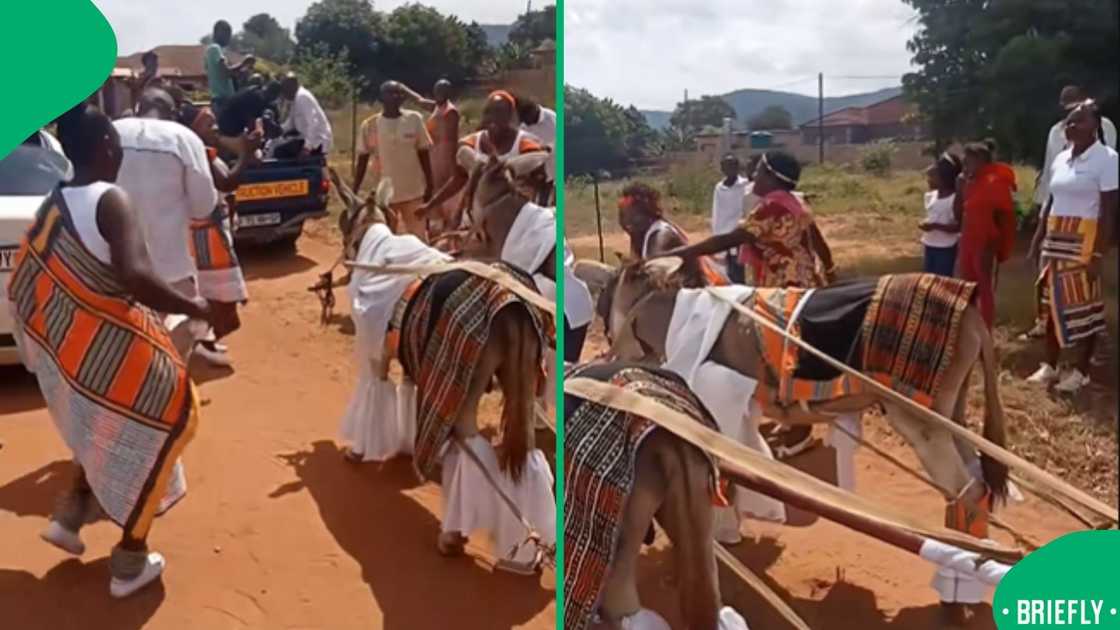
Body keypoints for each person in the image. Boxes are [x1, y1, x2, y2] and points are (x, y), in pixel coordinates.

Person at [7, 103, 228, 598]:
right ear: (107, 147)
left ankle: (69, 517)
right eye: (115, 143)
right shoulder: (112, 200)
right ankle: (130, 559)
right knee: (169, 422)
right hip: (118, 349)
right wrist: (195, 305)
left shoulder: (53, 202)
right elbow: (135, 276)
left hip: (80, 357)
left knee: (98, 427)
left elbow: (26, 281)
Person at [116, 88, 249, 365]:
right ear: (173, 113)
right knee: (172, 354)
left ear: (137, 107)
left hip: (116, 268)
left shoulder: (111, 132)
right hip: (171, 271)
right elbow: (203, 206)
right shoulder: (184, 139)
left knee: (124, 352)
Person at [1026, 101, 1118, 393]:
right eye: (1068, 122)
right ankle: (1050, 366)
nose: (1071, 126)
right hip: (1055, 239)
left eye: (1078, 121)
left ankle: (1081, 371)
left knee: (1083, 307)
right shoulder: (1061, 159)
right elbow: (1051, 200)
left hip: (1084, 241)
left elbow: (1108, 211)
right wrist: (1038, 235)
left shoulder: (1107, 159)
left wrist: (1098, 253)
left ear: (1096, 126)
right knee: (1051, 304)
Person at [660, 151, 835, 289]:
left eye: (758, 171)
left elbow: (731, 239)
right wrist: (830, 273)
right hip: (809, 286)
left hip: (786, 290)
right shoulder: (795, 202)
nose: (753, 176)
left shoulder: (772, 206)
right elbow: (820, 244)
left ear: (770, 177)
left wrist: (679, 253)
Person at [422, 91, 548, 230]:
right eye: (489, 112)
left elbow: (540, 176)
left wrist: (512, 170)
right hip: (478, 221)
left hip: (517, 222)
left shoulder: (525, 143)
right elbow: (459, 180)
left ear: (511, 116)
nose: (494, 117)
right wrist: (431, 205)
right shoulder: (469, 143)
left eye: (500, 112)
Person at [355, 81, 435, 241]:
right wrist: (354, 189)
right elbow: (363, 159)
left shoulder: (414, 119)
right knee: (385, 241)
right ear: (381, 98)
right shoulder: (369, 126)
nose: (396, 97)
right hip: (384, 199)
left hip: (413, 193)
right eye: (390, 93)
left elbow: (424, 153)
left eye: (399, 93)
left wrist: (430, 184)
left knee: (419, 240)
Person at [954, 139, 1016, 330]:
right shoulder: (967, 182)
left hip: (986, 241)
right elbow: (958, 213)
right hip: (968, 239)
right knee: (967, 285)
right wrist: (959, 188)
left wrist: (993, 246)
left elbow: (1004, 217)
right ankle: (971, 326)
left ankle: (986, 331)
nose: (965, 165)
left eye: (968, 161)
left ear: (981, 161)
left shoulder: (995, 182)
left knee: (984, 287)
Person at [920, 152, 963, 277]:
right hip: (929, 245)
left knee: (942, 286)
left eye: (933, 176)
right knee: (928, 283)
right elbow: (932, 216)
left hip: (946, 248)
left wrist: (935, 226)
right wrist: (925, 223)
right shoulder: (930, 196)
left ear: (944, 177)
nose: (929, 180)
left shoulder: (955, 199)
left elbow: (959, 227)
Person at [711, 153, 751, 283]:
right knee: (725, 268)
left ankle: (741, 290)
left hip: (739, 232)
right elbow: (716, 211)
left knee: (739, 266)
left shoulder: (745, 185)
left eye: (733, 166)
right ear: (722, 169)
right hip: (723, 232)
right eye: (727, 166)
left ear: (738, 167)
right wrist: (716, 234)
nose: (730, 169)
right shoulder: (719, 188)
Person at [204, 20, 255, 116]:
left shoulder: (211, 51)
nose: (229, 38)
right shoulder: (215, 48)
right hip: (222, 100)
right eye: (227, 34)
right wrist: (244, 62)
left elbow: (225, 74)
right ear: (219, 32)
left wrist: (243, 70)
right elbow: (226, 72)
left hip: (222, 100)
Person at [516, 96, 557, 203]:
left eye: (526, 119)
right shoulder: (523, 126)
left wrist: (547, 149)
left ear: (533, 112)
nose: (525, 122)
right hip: (535, 172)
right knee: (538, 203)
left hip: (554, 167)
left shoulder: (552, 120)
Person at [279, 73, 333, 155]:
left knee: (279, 151)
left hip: (317, 142)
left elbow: (313, 123)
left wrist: (307, 148)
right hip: (306, 139)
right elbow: (291, 123)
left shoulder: (302, 97)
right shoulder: (295, 99)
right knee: (280, 144)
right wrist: (279, 130)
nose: (284, 93)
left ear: (292, 87)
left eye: (285, 89)